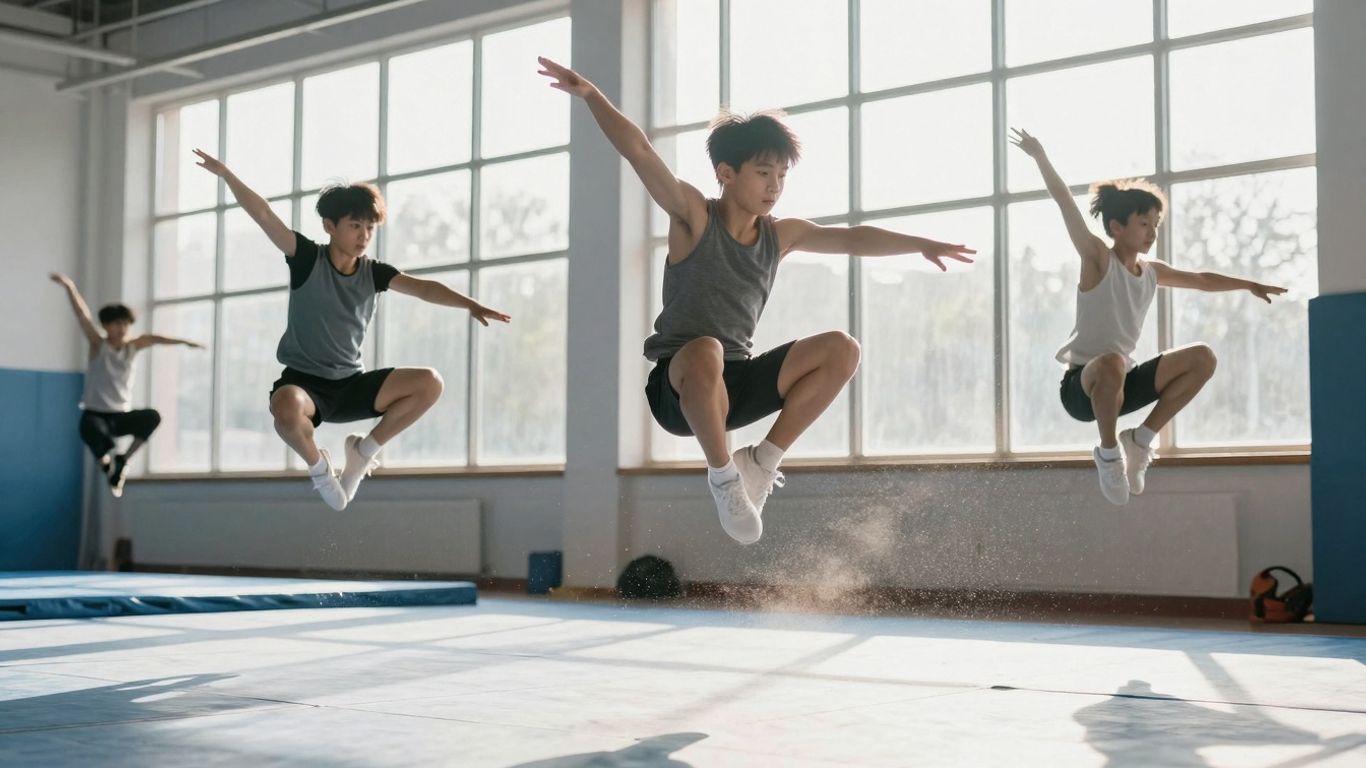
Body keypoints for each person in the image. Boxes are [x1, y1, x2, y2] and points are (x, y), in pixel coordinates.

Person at [540, 56, 975, 544]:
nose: (775, 187)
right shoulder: (693, 217)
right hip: (678, 389)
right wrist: (591, 95)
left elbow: (852, 237)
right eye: (764, 172)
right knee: (706, 349)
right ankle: (723, 478)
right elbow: (640, 151)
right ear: (726, 172)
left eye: (782, 176)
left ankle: (761, 463)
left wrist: (920, 244)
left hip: (735, 385)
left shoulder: (780, 235)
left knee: (842, 348)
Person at [194, 149, 511, 510]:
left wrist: (470, 304)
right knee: (284, 409)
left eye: (370, 227)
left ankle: (363, 451)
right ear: (330, 226)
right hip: (306, 386)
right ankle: (320, 470)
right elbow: (264, 214)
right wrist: (227, 175)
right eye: (355, 225)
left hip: (351, 385)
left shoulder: (374, 273)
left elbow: (424, 288)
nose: (364, 235)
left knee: (430, 383)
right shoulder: (307, 258)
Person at [1011, 128, 1286, 505]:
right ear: (1116, 227)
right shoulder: (1097, 259)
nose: (1152, 231)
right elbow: (1065, 204)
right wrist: (1040, 156)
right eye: (1144, 223)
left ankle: (1140, 440)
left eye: (1156, 224)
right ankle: (1108, 454)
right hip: (1082, 388)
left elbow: (1201, 280)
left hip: (1121, 384)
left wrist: (1249, 284)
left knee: (1202, 357)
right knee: (1111, 361)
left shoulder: (1152, 271)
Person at [50, 272, 204, 497]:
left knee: (152, 416)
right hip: (96, 414)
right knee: (89, 427)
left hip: (120, 415)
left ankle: (123, 460)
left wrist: (186, 342)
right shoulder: (98, 344)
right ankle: (107, 465)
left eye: (125, 324)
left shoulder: (133, 346)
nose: (122, 328)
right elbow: (82, 316)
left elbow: (157, 339)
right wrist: (70, 287)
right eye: (116, 324)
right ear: (106, 326)